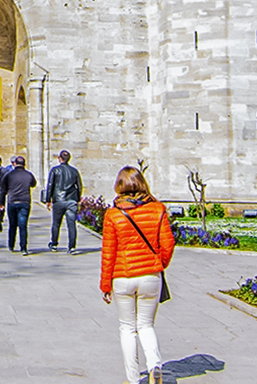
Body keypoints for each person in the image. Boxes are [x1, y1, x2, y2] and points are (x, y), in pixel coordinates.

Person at [100, 166, 174, 384]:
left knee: (127, 328)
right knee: (146, 325)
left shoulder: (113, 214)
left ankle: (133, 379)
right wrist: (158, 264)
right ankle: (154, 366)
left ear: (119, 186)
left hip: (122, 277)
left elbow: (108, 253)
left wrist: (105, 285)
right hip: (150, 276)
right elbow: (168, 244)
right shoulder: (158, 209)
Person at [45, 149, 84, 253]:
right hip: (71, 200)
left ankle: (54, 244)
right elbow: (79, 186)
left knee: (56, 223)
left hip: (59, 199)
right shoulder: (74, 171)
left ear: (60, 158)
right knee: (71, 224)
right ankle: (72, 246)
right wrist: (78, 198)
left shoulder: (55, 170)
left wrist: (48, 199)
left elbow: (50, 185)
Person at [0, 154, 37, 254]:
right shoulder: (29, 174)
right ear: (24, 164)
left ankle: (11, 245)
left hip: (12, 201)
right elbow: (33, 184)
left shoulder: (9, 175)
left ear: (15, 164)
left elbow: (3, 190)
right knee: (23, 225)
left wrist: (1, 203)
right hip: (24, 201)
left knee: (12, 225)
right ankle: (23, 247)